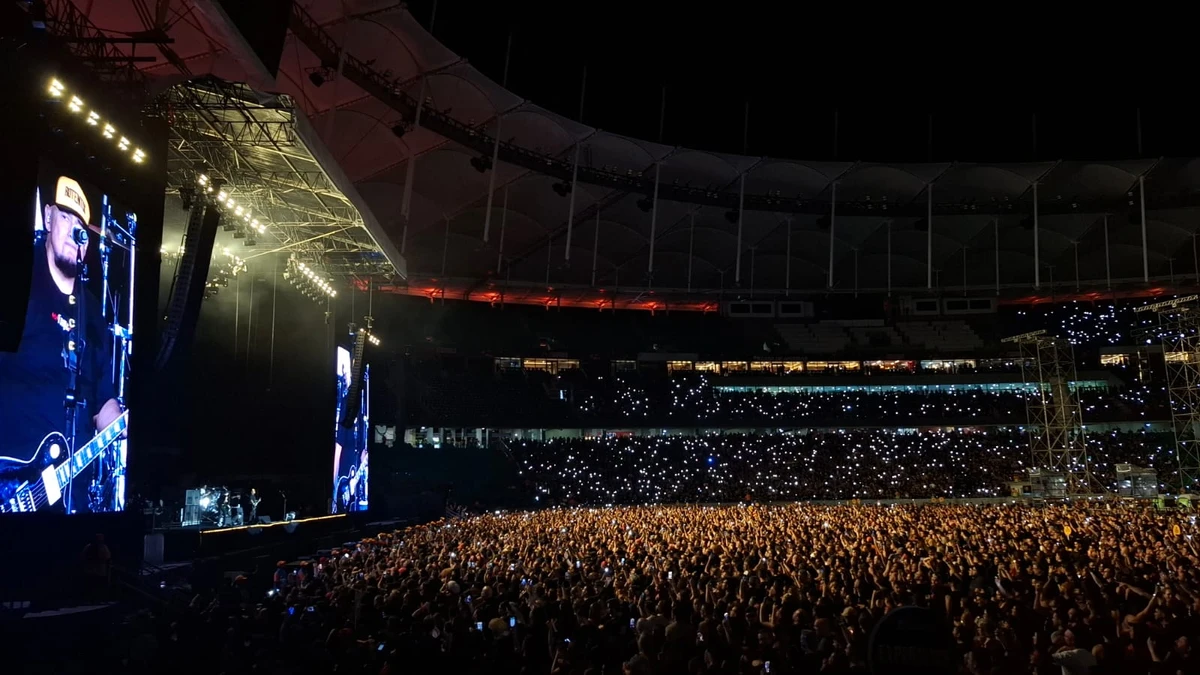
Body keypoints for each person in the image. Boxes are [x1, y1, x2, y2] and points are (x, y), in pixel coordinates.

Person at [0, 176, 124, 513]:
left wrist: (129, 426)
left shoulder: (92, 316)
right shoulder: (17, 285)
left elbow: (102, 404)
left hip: (68, 492)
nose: (74, 232)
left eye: (82, 226)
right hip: (9, 483)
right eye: (67, 218)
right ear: (49, 217)